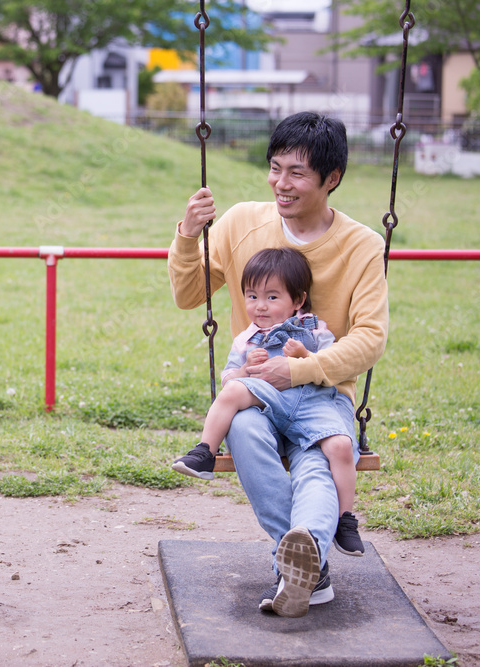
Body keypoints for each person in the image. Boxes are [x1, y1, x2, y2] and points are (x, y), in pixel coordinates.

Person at [167, 112, 388, 617]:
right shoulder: (244, 221)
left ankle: (300, 562)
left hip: (323, 396)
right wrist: (187, 235)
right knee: (243, 429)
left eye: (296, 173)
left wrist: (302, 370)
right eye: (274, 168)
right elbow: (188, 295)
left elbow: (370, 338)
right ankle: (310, 566)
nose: (280, 184)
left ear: (331, 179)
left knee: (316, 463)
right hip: (259, 395)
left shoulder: (361, 246)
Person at [171, 246, 364, 558]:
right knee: (232, 392)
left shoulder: (314, 328)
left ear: (297, 300)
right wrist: (247, 368)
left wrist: (304, 357)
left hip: (311, 400)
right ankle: (204, 451)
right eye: (252, 296)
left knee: (341, 446)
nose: (260, 306)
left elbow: (327, 365)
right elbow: (230, 377)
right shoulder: (246, 339)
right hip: (270, 399)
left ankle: (345, 520)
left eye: (272, 297)